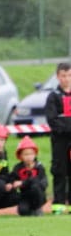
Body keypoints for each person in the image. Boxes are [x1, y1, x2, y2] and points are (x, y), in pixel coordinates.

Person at [44, 61, 71, 215]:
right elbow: (52, 120)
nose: (66, 79)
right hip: (60, 141)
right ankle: (59, 204)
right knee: (59, 171)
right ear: (58, 77)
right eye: (63, 75)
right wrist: (66, 127)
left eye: (69, 75)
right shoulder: (53, 96)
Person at [9, 135, 48, 216]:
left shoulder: (39, 167)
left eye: (31, 154)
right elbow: (12, 178)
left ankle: (38, 208)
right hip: (25, 195)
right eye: (26, 154)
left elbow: (41, 182)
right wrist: (12, 183)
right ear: (20, 156)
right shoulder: (18, 168)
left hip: (38, 194)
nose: (29, 157)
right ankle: (29, 210)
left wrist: (22, 183)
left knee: (35, 187)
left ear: (35, 154)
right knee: (23, 211)